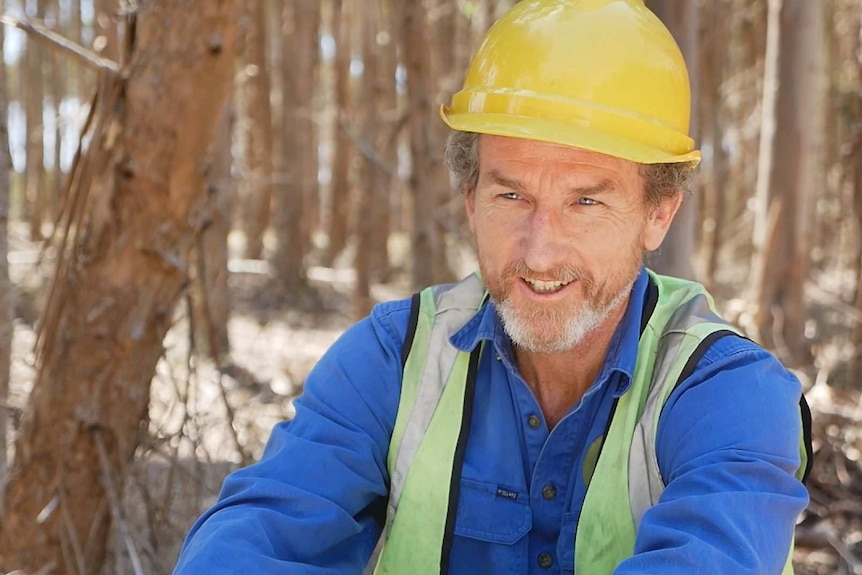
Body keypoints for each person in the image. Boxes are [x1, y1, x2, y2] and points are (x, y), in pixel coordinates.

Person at [173, 1, 812, 574]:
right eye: (512, 195)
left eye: (586, 201)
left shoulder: (730, 392)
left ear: (658, 214)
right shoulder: (391, 360)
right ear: (470, 199)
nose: (538, 250)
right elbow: (249, 542)